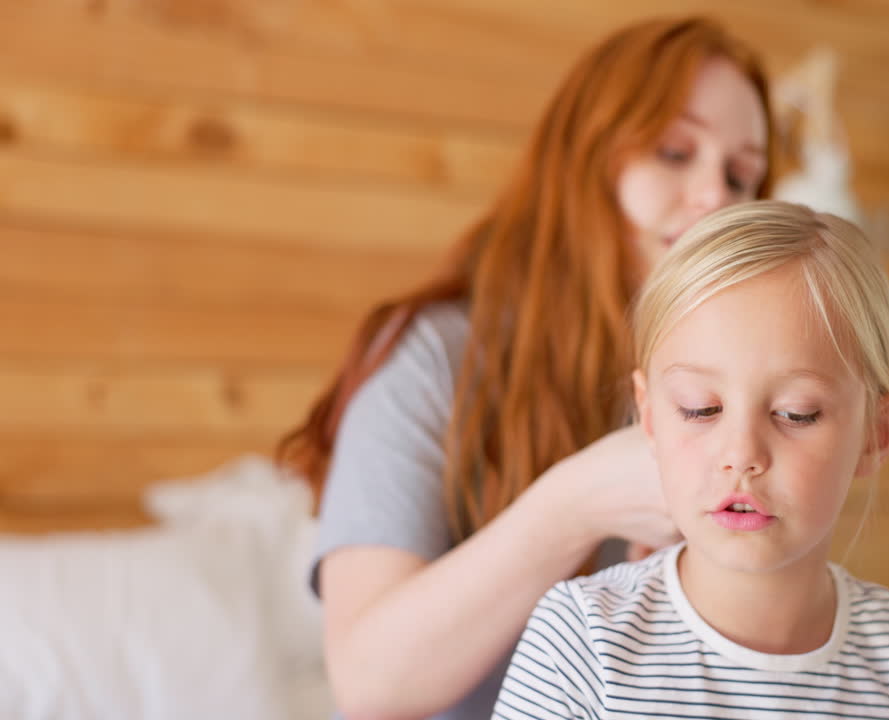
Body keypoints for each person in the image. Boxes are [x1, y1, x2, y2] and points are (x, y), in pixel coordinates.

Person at [277, 16, 774, 720]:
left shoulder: (735, 389)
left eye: (741, 174)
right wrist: (574, 504)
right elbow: (368, 685)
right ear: (585, 160)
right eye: (672, 151)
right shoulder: (432, 356)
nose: (715, 198)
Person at [492, 201, 889, 720]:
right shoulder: (583, 642)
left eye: (795, 413)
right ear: (649, 417)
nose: (742, 455)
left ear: (876, 432)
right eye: (701, 408)